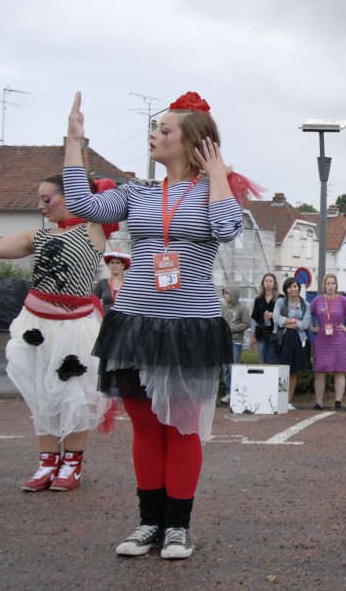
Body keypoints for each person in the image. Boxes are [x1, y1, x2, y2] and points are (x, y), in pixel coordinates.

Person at [64, 91, 244, 560]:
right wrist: (74, 142)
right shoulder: (137, 192)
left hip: (190, 324)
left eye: (164, 130)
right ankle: (149, 524)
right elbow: (84, 205)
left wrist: (218, 173)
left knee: (181, 427)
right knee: (145, 426)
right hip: (137, 321)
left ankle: (178, 528)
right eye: (153, 129)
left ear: (192, 142)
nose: (153, 135)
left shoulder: (214, 191)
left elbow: (226, 229)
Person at [0, 173, 111, 492]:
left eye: (46, 199)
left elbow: (94, 197)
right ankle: (47, 462)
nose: (41, 206)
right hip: (37, 325)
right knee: (41, 394)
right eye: (39, 200)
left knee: (75, 395)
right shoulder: (40, 235)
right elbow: (2, 246)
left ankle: (71, 464)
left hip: (75, 327)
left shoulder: (93, 228)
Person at [310, 273, 346, 411]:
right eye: (328, 283)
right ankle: (319, 403)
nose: (330, 286)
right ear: (324, 286)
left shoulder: (343, 300)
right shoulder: (317, 301)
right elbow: (306, 314)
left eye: (333, 283)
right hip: (321, 339)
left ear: (336, 285)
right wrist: (311, 327)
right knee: (319, 372)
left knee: (339, 371)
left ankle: (338, 402)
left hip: (338, 339)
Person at [274, 277, 312, 410]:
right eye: (289, 287)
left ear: (298, 288)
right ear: (286, 289)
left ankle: (288, 402)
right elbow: (276, 319)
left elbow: (305, 324)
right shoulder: (280, 301)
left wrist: (287, 323)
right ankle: (279, 399)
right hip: (283, 338)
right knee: (282, 369)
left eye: (295, 286)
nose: (292, 289)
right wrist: (294, 322)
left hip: (299, 339)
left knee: (294, 370)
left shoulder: (305, 304)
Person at [220, 287, 251, 405]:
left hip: (236, 341)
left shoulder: (242, 308)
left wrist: (230, 329)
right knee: (226, 368)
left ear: (233, 293)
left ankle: (235, 393)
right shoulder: (224, 309)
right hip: (224, 342)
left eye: (227, 293)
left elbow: (247, 323)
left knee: (233, 367)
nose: (225, 295)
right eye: (224, 293)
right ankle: (228, 392)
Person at [249, 273, 281, 364]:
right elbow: (254, 318)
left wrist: (274, 315)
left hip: (275, 334)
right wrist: (251, 336)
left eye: (270, 281)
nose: (268, 283)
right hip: (261, 334)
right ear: (263, 283)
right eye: (266, 281)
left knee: (272, 361)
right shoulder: (258, 299)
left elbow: (285, 315)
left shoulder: (280, 298)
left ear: (274, 284)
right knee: (262, 362)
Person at [93, 246, 130, 315]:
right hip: (105, 320)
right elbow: (93, 300)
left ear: (123, 265)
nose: (114, 265)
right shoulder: (102, 283)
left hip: (124, 320)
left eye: (118, 263)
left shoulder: (129, 282)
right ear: (108, 265)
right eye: (112, 263)